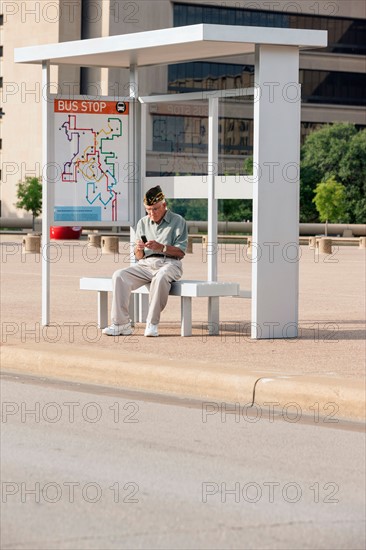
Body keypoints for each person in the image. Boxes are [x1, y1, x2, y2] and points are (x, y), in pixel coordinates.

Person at [102, 186, 188, 337]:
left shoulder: (178, 221)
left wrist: (161, 247)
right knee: (119, 275)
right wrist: (139, 248)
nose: (151, 213)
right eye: (148, 210)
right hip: (146, 264)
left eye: (155, 209)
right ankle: (121, 324)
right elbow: (139, 256)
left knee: (160, 277)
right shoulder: (142, 222)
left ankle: (152, 323)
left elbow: (181, 252)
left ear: (164, 205)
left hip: (170, 263)